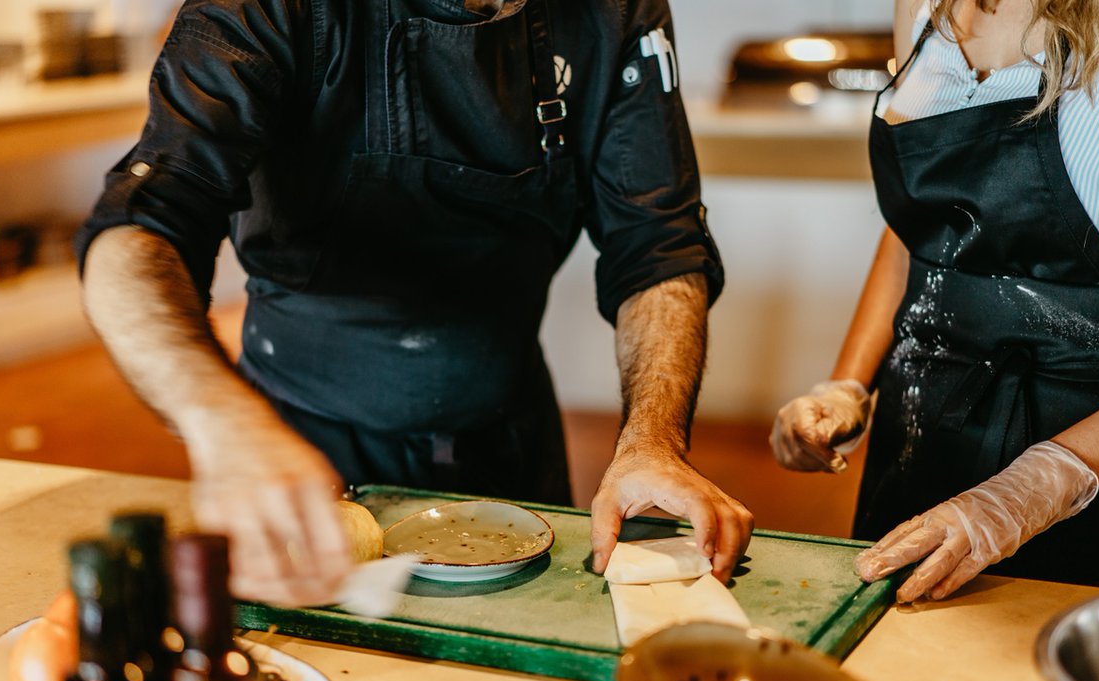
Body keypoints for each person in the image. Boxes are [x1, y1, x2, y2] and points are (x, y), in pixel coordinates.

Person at [77, 0, 753, 606]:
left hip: (511, 444)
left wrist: (653, 442)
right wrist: (225, 426)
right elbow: (141, 229)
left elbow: (659, 248)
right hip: (297, 452)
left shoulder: (615, 13)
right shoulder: (264, 9)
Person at [771, 0, 1099, 603]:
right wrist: (846, 385)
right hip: (924, 431)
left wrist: (1045, 483)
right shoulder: (926, 8)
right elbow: (926, 230)